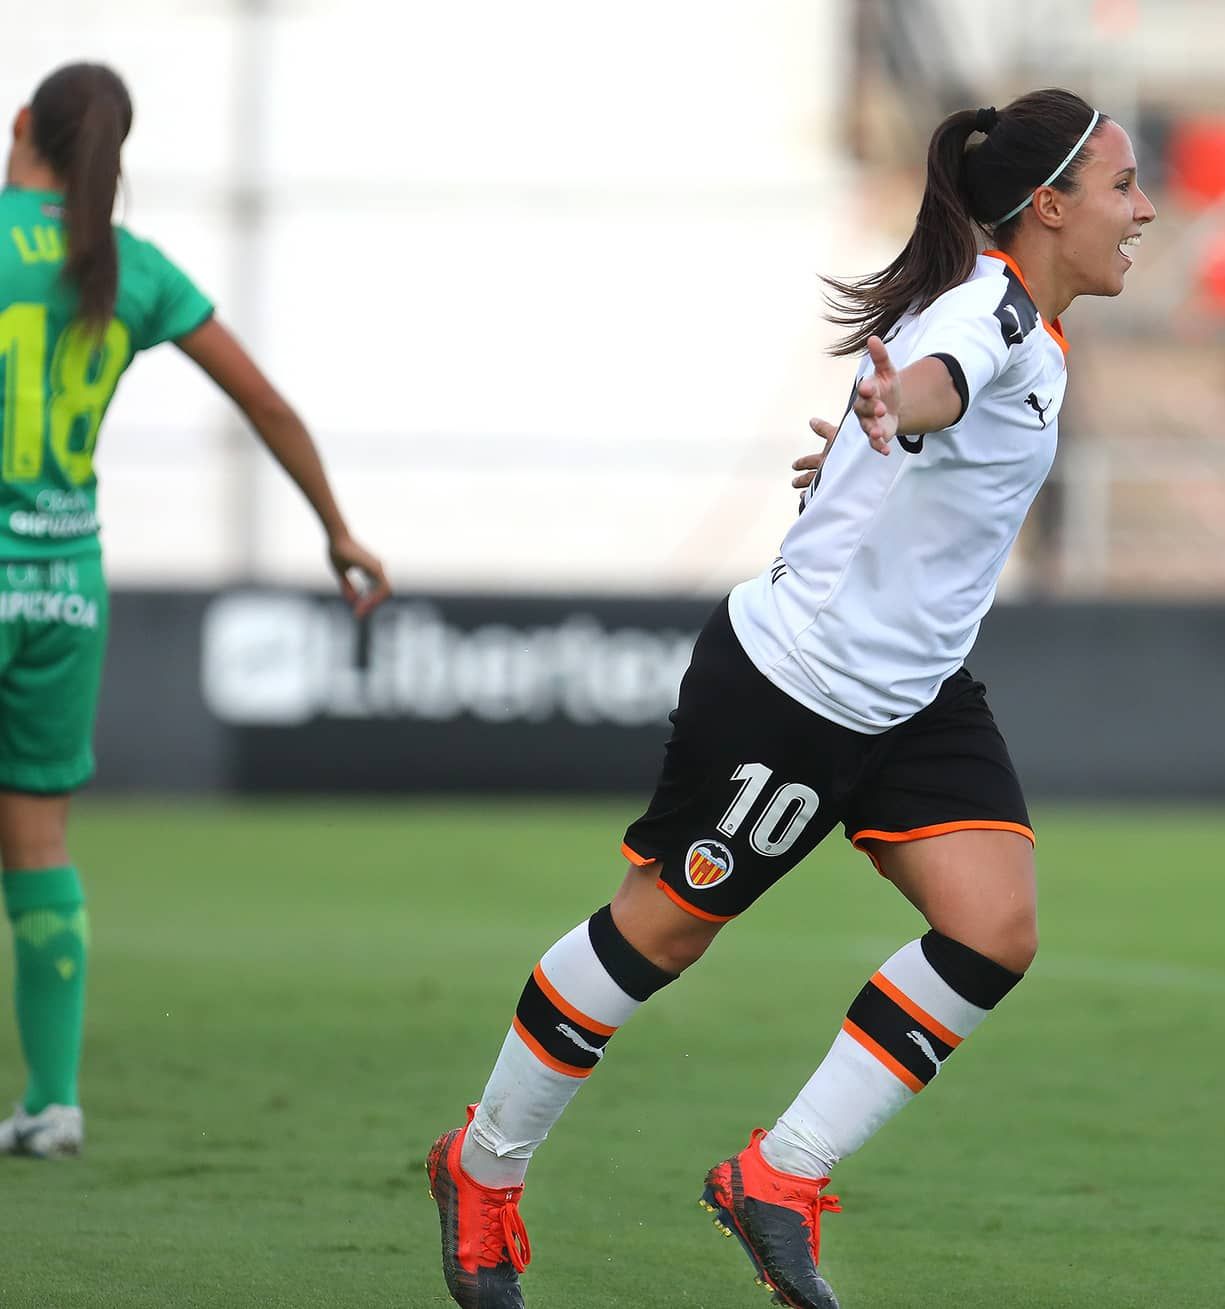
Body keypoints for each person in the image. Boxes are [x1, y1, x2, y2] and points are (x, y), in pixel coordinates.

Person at [426, 86, 1153, 1309]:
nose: (1146, 210)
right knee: (658, 933)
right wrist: (894, 407)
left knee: (995, 929)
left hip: (914, 696)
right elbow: (937, 382)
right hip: (795, 693)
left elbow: (924, 421)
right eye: (1125, 187)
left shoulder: (1024, 323)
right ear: (1049, 205)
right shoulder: (991, 318)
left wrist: (872, 443)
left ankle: (778, 1176)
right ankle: (484, 1166)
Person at [0, 62, 390, 1158]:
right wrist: (336, 527)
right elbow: (263, 399)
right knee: (37, 841)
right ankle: (53, 1101)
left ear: (22, 126)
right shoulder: (126, 265)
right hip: (63, 585)